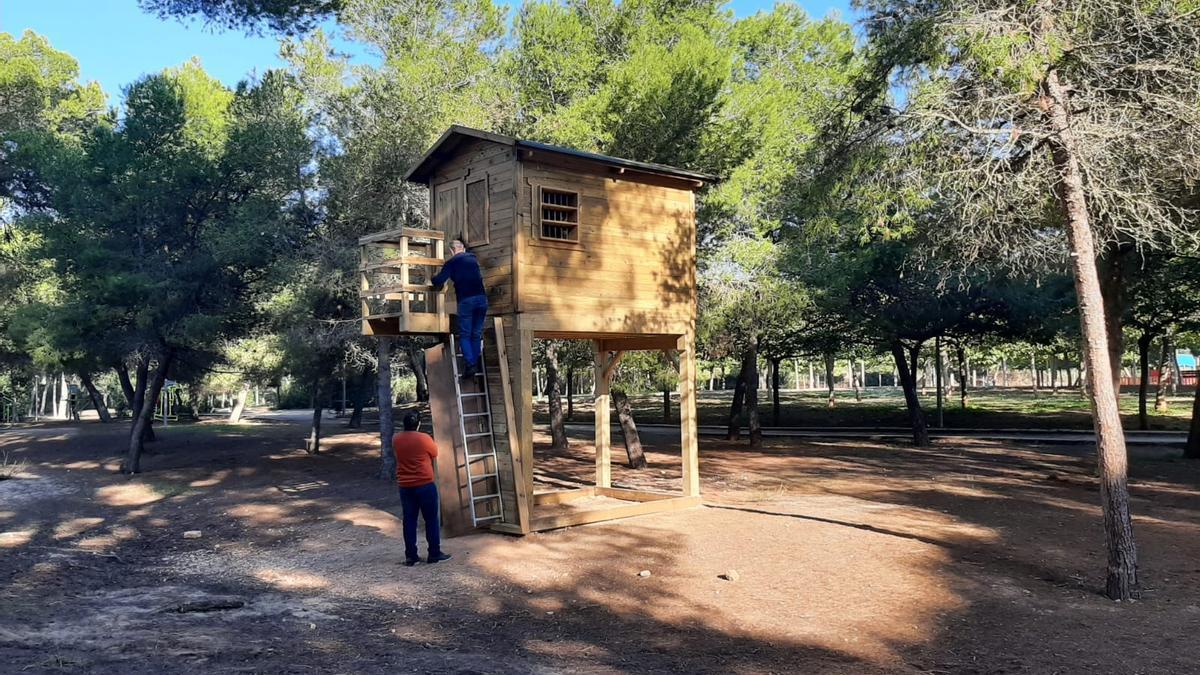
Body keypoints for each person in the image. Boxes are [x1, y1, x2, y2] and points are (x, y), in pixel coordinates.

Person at [393, 412, 451, 566]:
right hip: (424, 484)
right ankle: (434, 553)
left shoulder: (396, 439)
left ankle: (411, 556)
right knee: (431, 519)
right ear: (418, 424)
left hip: (405, 486)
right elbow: (434, 453)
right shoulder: (424, 438)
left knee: (409, 520)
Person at [432, 237, 487, 378]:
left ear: (452, 250)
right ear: (463, 248)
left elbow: (439, 280)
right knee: (476, 333)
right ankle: (474, 362)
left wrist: (432, 278)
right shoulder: (473, 259)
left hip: (466, 301)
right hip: (481, 299)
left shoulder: (452, 262)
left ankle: (470, 364)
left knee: (465, 334)